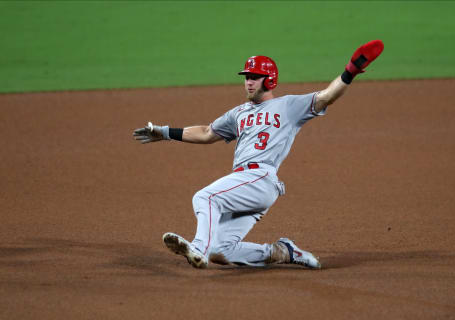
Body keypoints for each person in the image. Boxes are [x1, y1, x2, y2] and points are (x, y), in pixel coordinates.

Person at [133, 40, 384, 269]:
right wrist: (165, 132)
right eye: (246, 77)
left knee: (205, 198)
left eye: (255, 77)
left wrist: (351, 70)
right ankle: (283, 252)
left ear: (269, 80)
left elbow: (328, 96)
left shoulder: (288, 106)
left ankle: (198, 247)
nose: (248, 82)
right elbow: (207, 132)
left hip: (261, 177)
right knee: (221, 251)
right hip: (245, 185)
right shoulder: (238, 113)